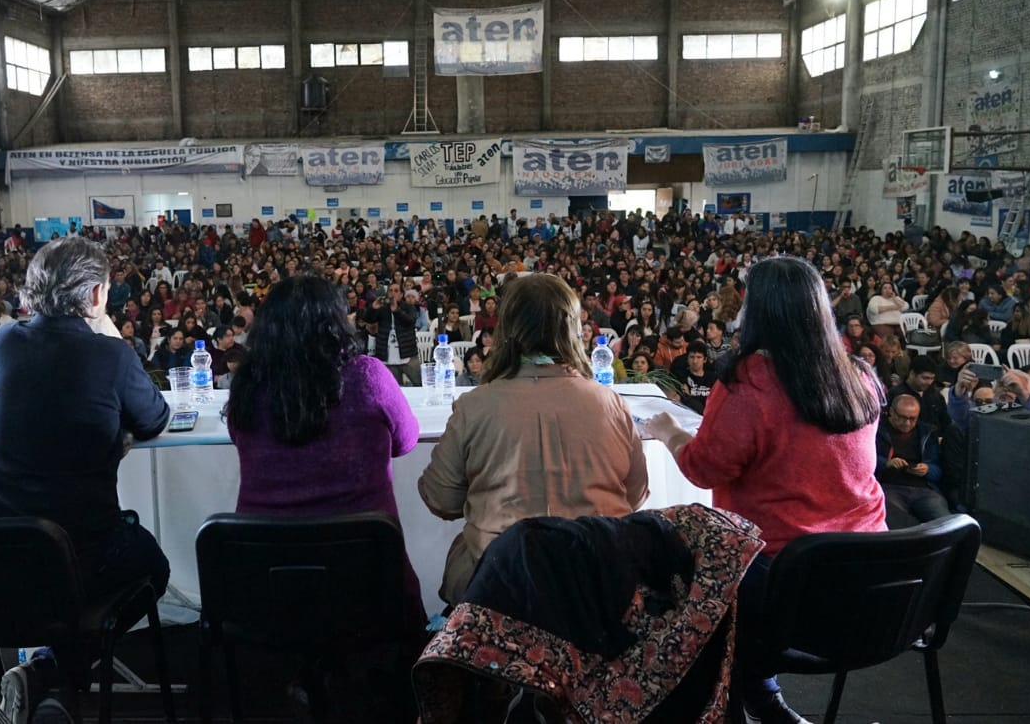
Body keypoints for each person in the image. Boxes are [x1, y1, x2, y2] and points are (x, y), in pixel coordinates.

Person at [644, 257, 885, 724]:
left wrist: (670, 429)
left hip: (787, 588)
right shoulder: (857, 374)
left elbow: (703, 468)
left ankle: (717, 699)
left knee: (670, 567)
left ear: (757, 312)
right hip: (874, 583)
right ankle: (765, 698)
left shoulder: (750, 383)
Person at [0, 236, 171, 724]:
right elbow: (155, 418)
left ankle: (48, 681)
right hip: (70, 558)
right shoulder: (110, 355)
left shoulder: (4, 342)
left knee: (55, 577)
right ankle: (53, 673)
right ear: (97, 296)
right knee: (151, 566)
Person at [419, 273, 649, 606]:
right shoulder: (610, 402)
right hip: (598, 584)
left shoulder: (475, 404)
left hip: (501, 587)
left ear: (507, 329)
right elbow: (635, 495)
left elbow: (440, 499)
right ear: (571, 329)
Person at [224, 276, 427, 653]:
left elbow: (243, 442)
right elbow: (406, 440)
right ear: (336, 322)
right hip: (365, 573)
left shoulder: (248, 385)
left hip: (267, 576)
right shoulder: (367, 375)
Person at [875, 394, 950, 528]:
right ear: (891, 412)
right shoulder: (877, 429)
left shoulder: (926, 432)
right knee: (896, 520)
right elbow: (865, 463)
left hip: (923, 488)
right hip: (890, 486)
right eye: (902, 418)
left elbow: (938, 470)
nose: (907, 423)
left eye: (912, 419)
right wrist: (886, 463)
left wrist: (927, 469)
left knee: (944, 522)